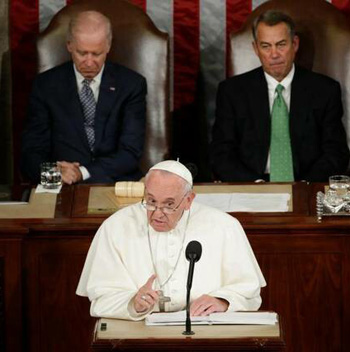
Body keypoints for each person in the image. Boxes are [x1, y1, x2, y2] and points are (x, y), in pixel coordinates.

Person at [76, 160, 266, 320]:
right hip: (140, 333)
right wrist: (134, 303)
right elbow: (101, 297)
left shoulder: (224, 226)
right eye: (151, 202)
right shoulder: (116, 226)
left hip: (204, 330)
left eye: (169, 205)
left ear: (189, 200)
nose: (157, 214)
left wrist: (223, 301)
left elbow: (248, 290)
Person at [211, 10, 349, 182]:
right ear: (256, 49)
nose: (274, 54)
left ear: (295, 44)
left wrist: (304, 186)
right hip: (252, 185)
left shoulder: (325, 90)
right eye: (266, 46)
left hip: (306, 185)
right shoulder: (232, 92)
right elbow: (221, 154)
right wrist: (255, 186)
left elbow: (336, 152)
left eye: (281, 44)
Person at [21, 10, 147, 184]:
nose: (89, 62)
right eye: (82, 53)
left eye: (96, 54)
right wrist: (55, 175)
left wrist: (82, 173)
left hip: (115, 181)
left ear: (108, 46)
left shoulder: (132, 85)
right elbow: (31, 152)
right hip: (61, 184)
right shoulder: (45, 86)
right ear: (69, 45)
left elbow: (130, 152)